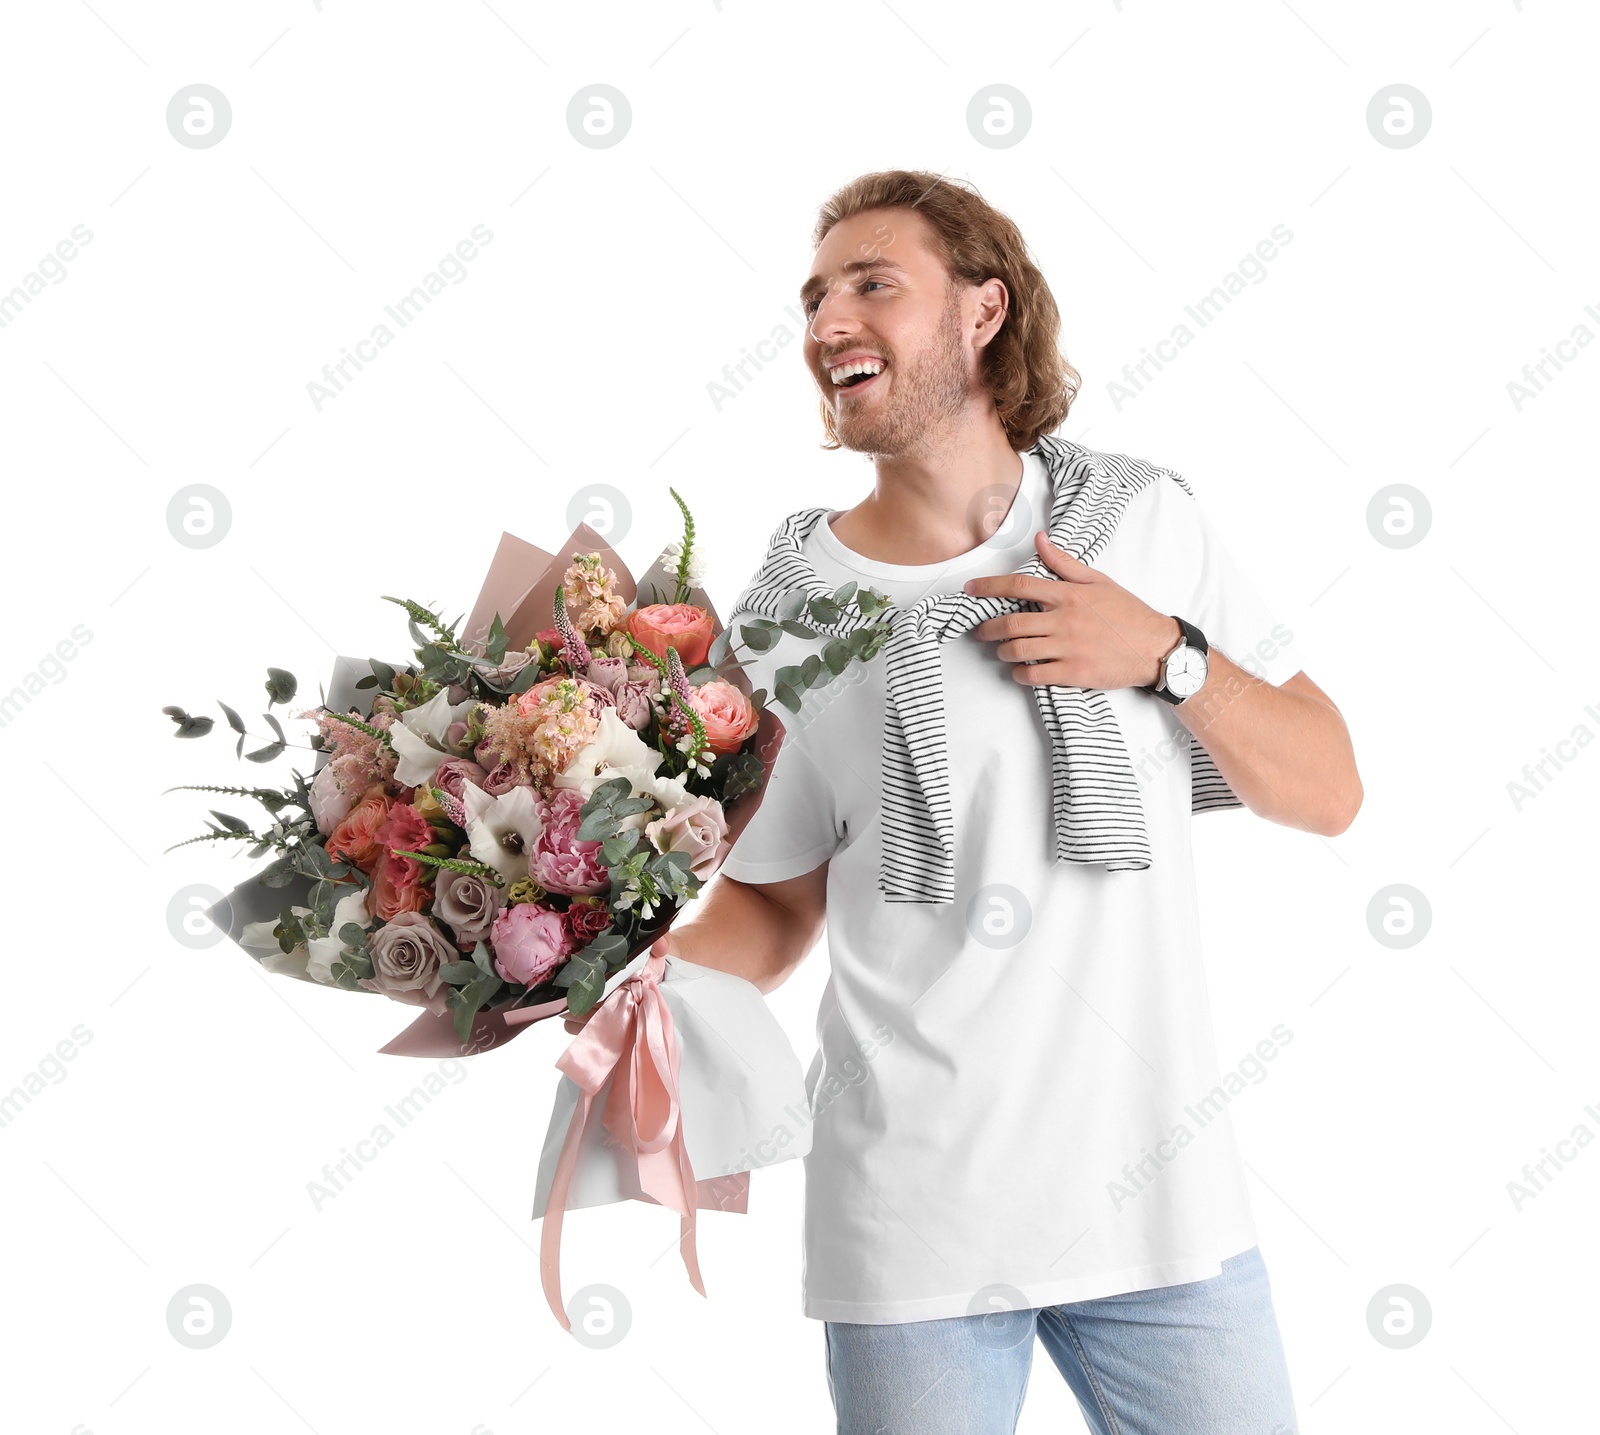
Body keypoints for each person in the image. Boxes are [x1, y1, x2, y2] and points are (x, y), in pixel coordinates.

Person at [574, 170, 1360, 1434]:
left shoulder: (1139, 525)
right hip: (911, 1223)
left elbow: (1329, 787)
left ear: (983, 311)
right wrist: (604, 957)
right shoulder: (789, 615)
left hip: (1164, 1214)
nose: (830, 320)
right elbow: (776, 903)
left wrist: (1168, 653)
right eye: (816, 297)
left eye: (873, 284)